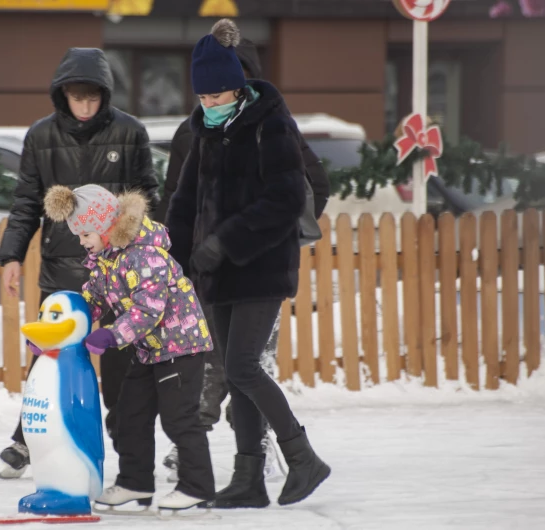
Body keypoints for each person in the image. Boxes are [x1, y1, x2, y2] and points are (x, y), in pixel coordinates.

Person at [165, 19, 331, 508]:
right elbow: (183, 200)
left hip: (259, 265)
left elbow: (283, 199)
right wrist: (177, 258)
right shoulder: (203, 132)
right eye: (203, 98)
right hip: (215, 272)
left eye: (218, 96)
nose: (210, 106)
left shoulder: (271, 125)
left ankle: (302, 457)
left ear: (237, 88)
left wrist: (225, 241)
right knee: (237, 373)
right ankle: (249, 480)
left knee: (241, 366)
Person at [0, 47, 160, 479]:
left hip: (120, 271)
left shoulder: (130, 132)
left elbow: (148, 197)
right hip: (62, 268)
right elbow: (27, 201)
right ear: (62, 95)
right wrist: (11, 255)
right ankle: (27, 439)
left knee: (123, 365)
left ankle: (129, 455)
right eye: (76, 97)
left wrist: (143, 252)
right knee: (51, 357)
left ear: (105, 95)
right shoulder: (41, 136)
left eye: (93, 98)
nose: (85, 106)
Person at [43, 184, 215, 511]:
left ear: (106, 224)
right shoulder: (105, 258)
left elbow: (149, 308)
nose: (82, 241)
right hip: (149, 349)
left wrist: (112, 335)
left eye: (85, 233)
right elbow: (92, 298)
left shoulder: (146, 254)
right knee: (129, 416)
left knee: (179, 419)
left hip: (181, 347)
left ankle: (198, 486)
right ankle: (135, 482)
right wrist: (62, 327)